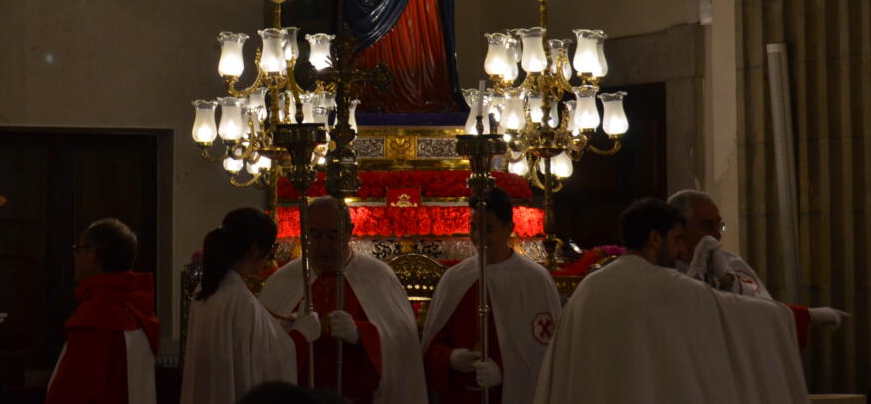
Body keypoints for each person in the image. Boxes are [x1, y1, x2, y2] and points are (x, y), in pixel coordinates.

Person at [533, 198, 809, 403]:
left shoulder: (590, 286)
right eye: (677, 239)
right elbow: (734, 313)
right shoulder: (668, 286)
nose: (681, 249)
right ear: (655, 238)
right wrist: (793, 316)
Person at [260, 197, 426, 403]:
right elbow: (261, 346)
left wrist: (361, 333)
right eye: (316, 235)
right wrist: (294, 333)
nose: (324, 246)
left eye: (333, 236)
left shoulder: (377, 276)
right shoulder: (284, 279)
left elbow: (402, 342)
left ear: (349, 232)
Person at [421, 187, 561, 404]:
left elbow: (549, 356)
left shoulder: (535, 280)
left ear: (509, 228)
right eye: (473, 227)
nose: (478, 237)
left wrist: (506, 372)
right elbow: (430, 349)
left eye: (488, 229)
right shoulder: (455, 279)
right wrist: (449, 358)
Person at [181, 207, 315, 404]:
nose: (270, 258)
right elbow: (268, 364)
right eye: (272, 248)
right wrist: (301, 335)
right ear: (255, 249)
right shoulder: (238, 298)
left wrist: (280, 328)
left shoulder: (207, 288)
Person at [668, 188, 847, 331]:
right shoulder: (665, 269)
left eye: (720, 226)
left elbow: (764, 309)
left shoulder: (732, 263)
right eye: (708, 225)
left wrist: (728, 280)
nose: (717, 235)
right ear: (680, 229)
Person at [46, 218, 158, 404]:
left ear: (92, 254)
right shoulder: (140, 310)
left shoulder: (96, 319)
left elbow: (69, 393)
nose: (75, 256)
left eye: (78, 249)